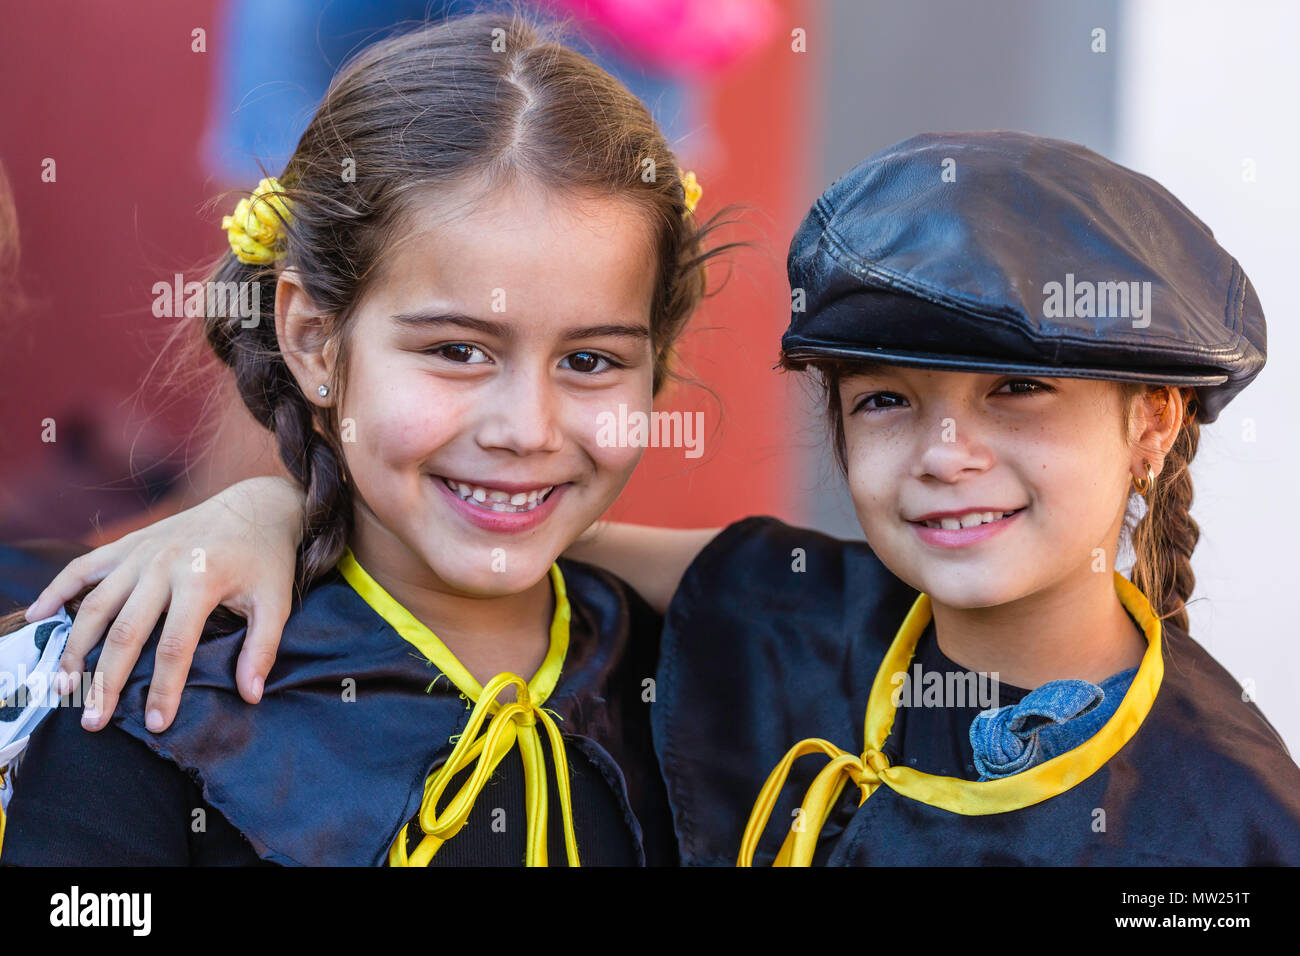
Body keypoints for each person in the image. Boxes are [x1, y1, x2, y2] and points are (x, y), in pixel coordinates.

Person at [21, 132, 1300, 866]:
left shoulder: (1229, 813)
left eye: (1018, 390)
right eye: (884, 401)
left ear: (1152, 420)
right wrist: (270, 511)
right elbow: (528, 536)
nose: (947, 455)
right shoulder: (769, 621)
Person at [0, 10, 735, 866]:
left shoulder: (710, 683)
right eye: (457, 352)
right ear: (313, 339)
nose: (526, 429)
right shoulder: (162, 700)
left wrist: (284, 508)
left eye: (590, 359)